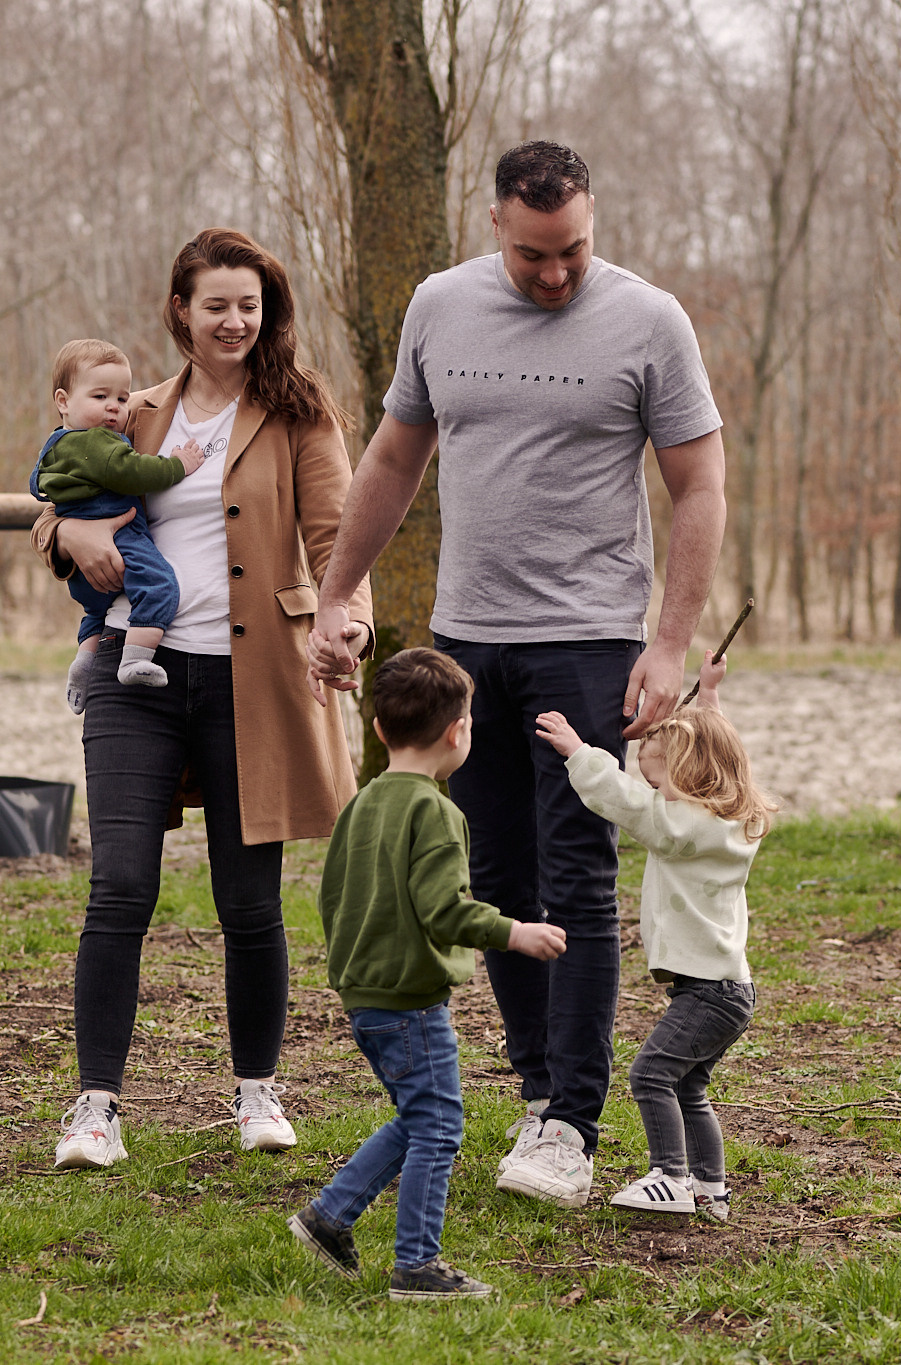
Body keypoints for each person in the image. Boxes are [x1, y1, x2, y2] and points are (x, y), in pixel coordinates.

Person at [305, 140, 727, 1208]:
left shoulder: (648, 320)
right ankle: (539, 1093)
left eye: (573, 249)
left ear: (592, 222)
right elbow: (394, 459)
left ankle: (572, 1127)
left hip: (587, 639)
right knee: (489, 875)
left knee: (576, 874)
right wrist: (338, 595)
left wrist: (666, 644)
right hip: (468, 638)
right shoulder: (438, 306)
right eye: (535, 254)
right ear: (496, 223)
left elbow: (698, 485)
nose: (555, 274)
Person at [39, 229, 374, 1171]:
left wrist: (347, 624)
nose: (235, 321)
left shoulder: (301, 414)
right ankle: (96, 1106)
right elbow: (51, 496)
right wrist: (67, 532)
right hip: (133, 679)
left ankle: (257, 1091)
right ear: (179, 311)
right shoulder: (130, 411)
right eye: (216, 304)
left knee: (248, 899)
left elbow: (338, 538)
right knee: (121, 887)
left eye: (250, 305)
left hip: (255, 680)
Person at [286, 648, 567, 1299]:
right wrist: (513, 930)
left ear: (380, 729)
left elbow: (332, 896)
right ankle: (416, 1263)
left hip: (366, 995)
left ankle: (329, 1216)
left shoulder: (360, 805)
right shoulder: (438, 813)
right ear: (458, 731)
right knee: (439, 1124)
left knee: (418, 1115)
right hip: (411, 1001)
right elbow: (444, 909)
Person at [534, 658, 773, 1221]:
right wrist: (708, 694)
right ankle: (711, 1188)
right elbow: (713, 747)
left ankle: (671, 1177)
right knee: (688, 1089)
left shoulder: (686, 827)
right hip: (726, 988)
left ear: (690, 776)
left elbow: (632, 808)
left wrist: (578, 752)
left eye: (660, 778)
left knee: (650, 1075)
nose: (654, 789)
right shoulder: (728, 820)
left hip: (710, 993)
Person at [29, 338, 208, 708]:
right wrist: (178, 465)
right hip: (120, 540)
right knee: (159, 587)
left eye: (123, 399)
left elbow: (38, 488)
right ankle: (135, 660)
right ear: (63, 401)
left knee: (97, 610)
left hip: (83, 573)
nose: (114, 408)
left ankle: (85, 659)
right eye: (100, 398)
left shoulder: (55, 445)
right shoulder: (100, 444)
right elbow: (132, 472)